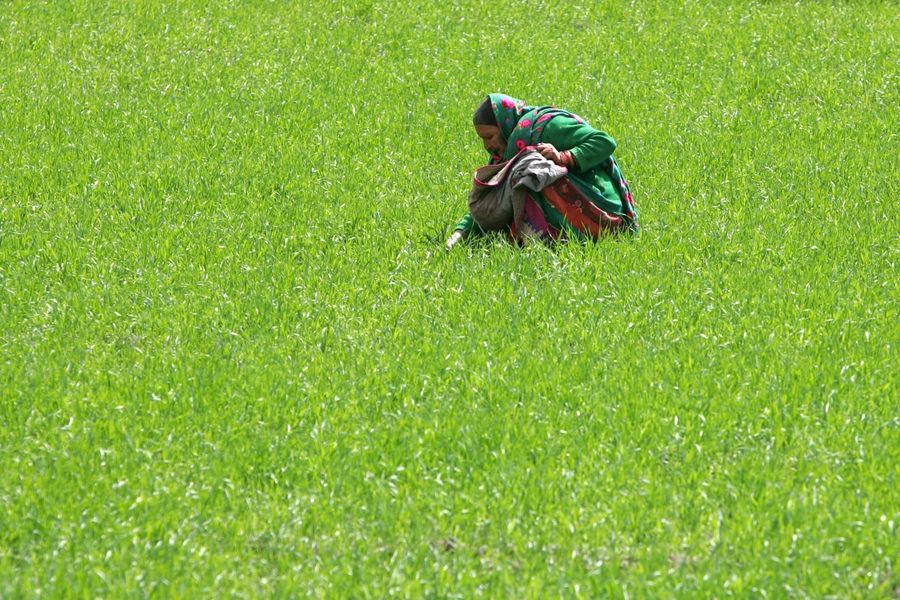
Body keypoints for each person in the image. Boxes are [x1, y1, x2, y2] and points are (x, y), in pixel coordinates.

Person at [447, 93, 638, 248]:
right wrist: (459, 234)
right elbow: (494, 196)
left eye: (489, 137)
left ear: (504, 125)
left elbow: (604, 142)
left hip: (599, 205)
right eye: (483, 139)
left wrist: (565, 157)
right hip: (576, 207)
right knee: (519, 173)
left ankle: (563, 240)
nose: (487, 145)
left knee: (530, 170)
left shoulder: (546, 126)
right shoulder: (506, 151)